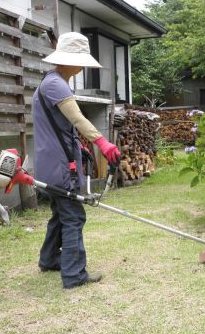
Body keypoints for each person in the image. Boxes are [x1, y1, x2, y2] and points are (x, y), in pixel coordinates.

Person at [32, 32, 121, 289]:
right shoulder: (56, 84)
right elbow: (77, 118)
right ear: (68, 59)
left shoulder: (51, 82)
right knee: (73, 217)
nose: (82, 66)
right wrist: (102, 143)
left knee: (61, 215)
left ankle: (49, 259)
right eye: (80, 59)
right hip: (60, 167)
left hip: (51, 164)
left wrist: (79, 145)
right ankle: (74, 275)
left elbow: (62, 126)